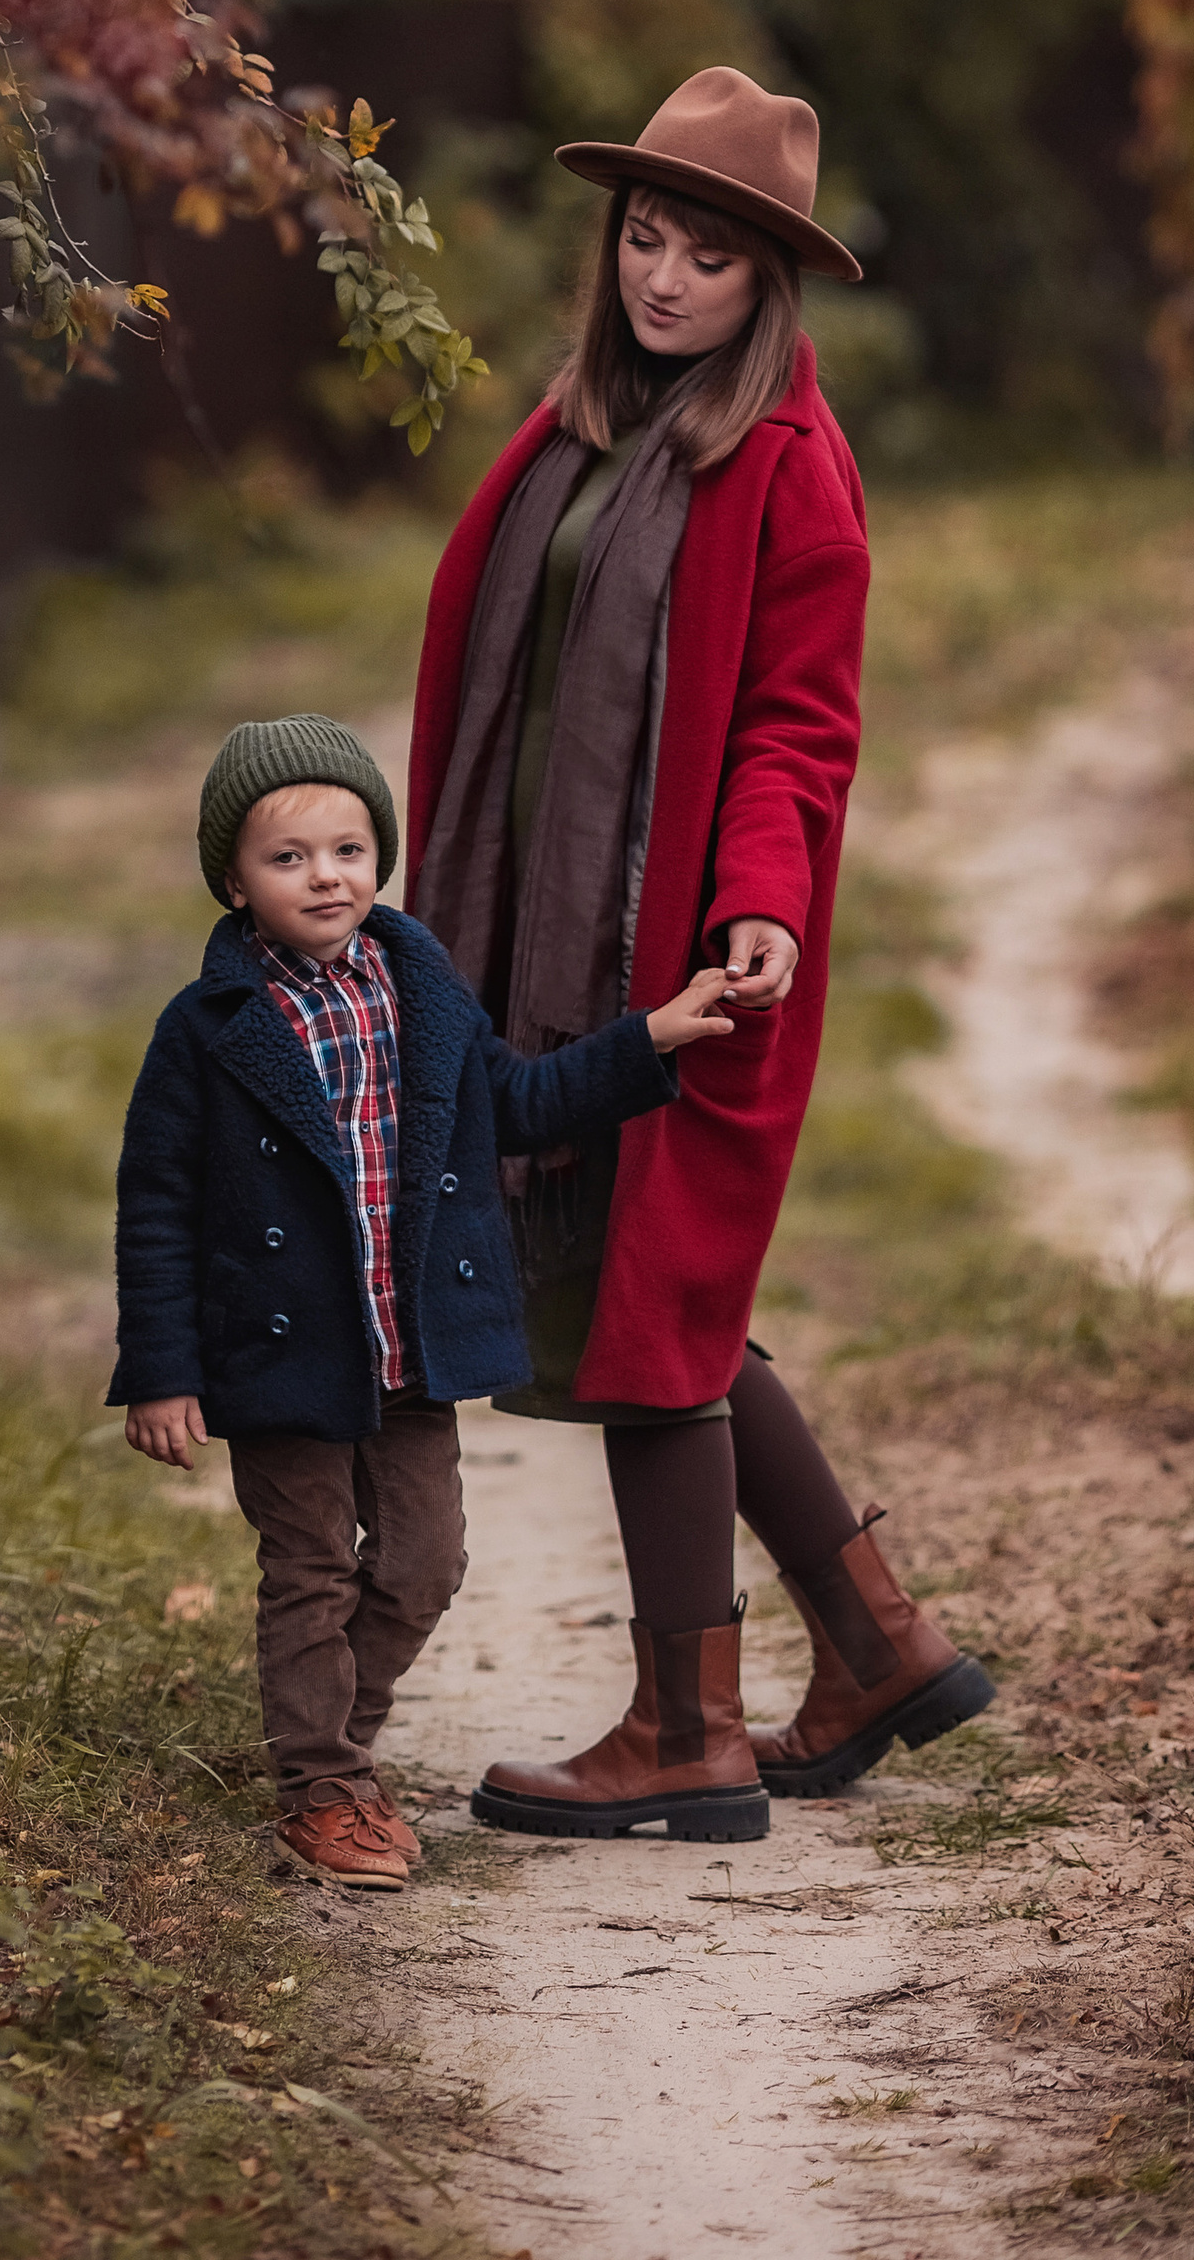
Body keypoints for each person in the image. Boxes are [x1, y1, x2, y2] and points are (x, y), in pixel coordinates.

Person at [405, 65, 995, 1843]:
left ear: (770, 282)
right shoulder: (580, 417)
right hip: (528, 943)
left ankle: (687, 1729)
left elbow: (796, 730)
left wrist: (762, 898)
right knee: (670, 1303)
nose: (666, 279)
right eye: (646, 238)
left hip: (686, 954)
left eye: (710, 257)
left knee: (651, 1309)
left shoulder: (790, 470)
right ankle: (881, 1645)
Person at [109, 711, 740, 1891]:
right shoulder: (205, 1032)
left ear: (377, 856)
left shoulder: (419, 984)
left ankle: (332, 1746)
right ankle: (324, 1788)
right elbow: (154, 1201)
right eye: (285, 857)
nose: (323, 874)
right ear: (234, 882)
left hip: (408, 1348)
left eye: (347, 847)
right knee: (309, 1568)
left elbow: (518, 1097)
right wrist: (161, 1366)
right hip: (284, 1355)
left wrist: (644, 1037)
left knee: (424, 1560)